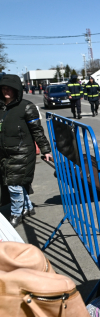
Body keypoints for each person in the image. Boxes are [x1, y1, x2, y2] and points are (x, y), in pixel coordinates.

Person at [0, 75, 53, 228]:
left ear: (16, 89)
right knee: (17, 183)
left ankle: (16, 214)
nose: (6, 91)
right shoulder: (1, 108)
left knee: (14, 184)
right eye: (3, 88)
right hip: (5, 154)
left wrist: (45, 149)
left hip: (23, 152)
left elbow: (37, 131)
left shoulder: (27, 107)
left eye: (9, 88)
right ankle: (28, 207)